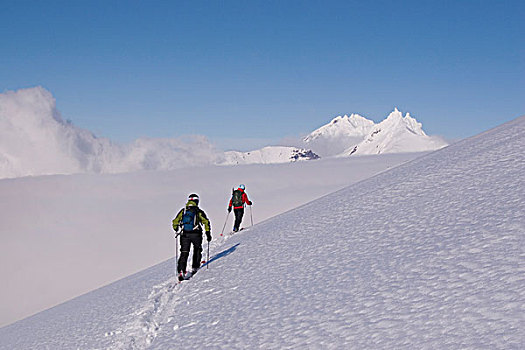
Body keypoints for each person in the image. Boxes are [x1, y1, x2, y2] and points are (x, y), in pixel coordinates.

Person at [172, 193, 212, 281]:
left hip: (185, 234)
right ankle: (195, 267)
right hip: (196, 234)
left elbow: (175, 221)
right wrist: (208, 233)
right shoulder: (198, 211)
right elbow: (206, 222)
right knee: (197, 249)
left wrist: (176, 228)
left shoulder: (183, 211)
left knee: (184, 252)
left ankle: (181, 271)